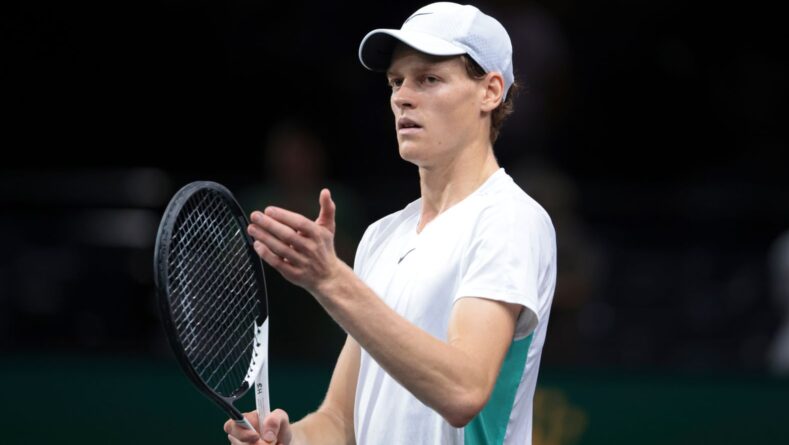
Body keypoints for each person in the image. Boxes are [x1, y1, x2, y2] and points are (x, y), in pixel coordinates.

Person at [225, 3, 557, 444]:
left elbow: (464, 390)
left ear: (490, 91)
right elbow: (341, 423)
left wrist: (330, 281)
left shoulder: (510, 220)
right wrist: (288, 439)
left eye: (429, 79)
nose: (402, 96)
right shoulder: (382, 237)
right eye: (396, 82)